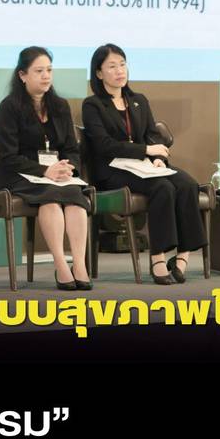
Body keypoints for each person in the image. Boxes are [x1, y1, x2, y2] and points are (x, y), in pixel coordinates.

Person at [81, 44, 206, 284]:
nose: (119, 70)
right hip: (114, 170)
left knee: (188, 184)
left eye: (122, 64)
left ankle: (182, 257)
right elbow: (104, 145)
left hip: (144, 166)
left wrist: (158, 158)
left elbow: (152, 135)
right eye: (112, 66)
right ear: (99, 73)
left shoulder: (138, 100)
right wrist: (146, 150)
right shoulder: (93, 105)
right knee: (163, 187)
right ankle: (157, 258)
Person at [0, 46, 92, 290]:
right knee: (50, 197)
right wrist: (44, 171)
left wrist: (68, 168)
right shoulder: (9, 107)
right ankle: (61, 265)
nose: (46, 76)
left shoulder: (59, 105)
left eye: (49, 70)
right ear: (22, 75)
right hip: (19, 174)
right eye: (39, 71)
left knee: (75, 196)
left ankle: (79, 265)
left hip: (56, 175)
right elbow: (8, 156)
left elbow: (71, 148)